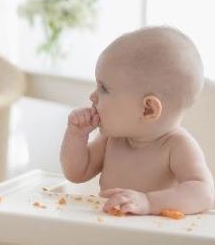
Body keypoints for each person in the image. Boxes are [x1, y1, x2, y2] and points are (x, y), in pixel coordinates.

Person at [60, 26, 214, 216]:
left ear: (148, 109)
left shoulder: (176, 146)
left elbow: (203, 193)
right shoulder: (111, 139)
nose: (93, 96)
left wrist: (149, 202)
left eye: (104, 89)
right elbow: (77, 173)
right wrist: (76, 135)